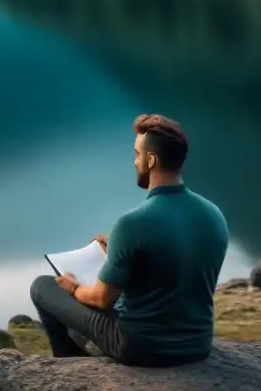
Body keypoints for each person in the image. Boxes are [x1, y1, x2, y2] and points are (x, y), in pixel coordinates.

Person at [29, 113, 229, 367]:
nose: (134, 161)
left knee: (42, 286)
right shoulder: (214, 215)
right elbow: (174, 269)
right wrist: (115, 252)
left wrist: (73, 287)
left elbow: (102, 299)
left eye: (137, 154)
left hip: (140, 346)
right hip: (197, 344)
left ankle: (69, 365)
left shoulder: (133, 223)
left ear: (151, 159)